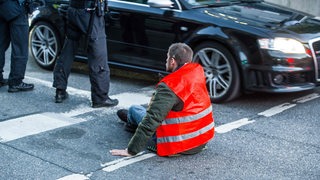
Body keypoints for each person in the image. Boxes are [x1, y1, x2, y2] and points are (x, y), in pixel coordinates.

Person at [110, 43, 215, 157]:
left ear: (172, 61)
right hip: (200, 141)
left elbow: (152, 120)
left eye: (167, 57)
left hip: (179, 144)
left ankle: (131, 122)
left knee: (135, 109)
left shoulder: (170, 86)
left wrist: (131, 150)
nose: (166, 60)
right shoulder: (197, 73)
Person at [52, 0, 118, 107]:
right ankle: (100, 98)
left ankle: (60, 91)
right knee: (98, 55)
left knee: (68, 50)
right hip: (90, 12)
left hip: (73, 9)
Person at [0, 0, 34, 92]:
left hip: (3, 7)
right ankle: (16, 82)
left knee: (1, 44)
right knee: (20, 48)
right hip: (17, 8)